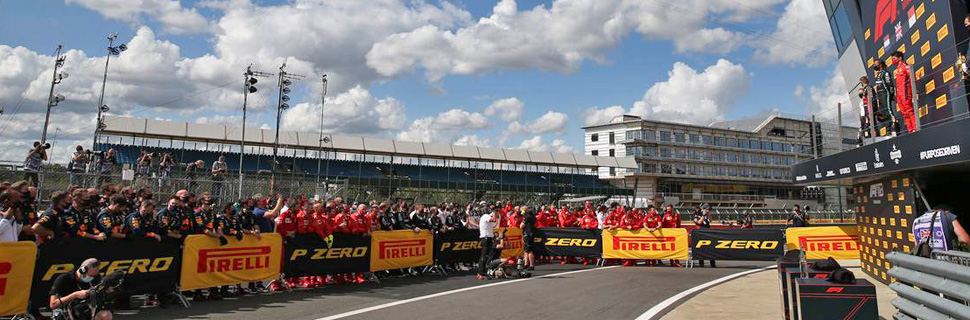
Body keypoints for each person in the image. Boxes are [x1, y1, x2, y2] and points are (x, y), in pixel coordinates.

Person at [890, 51, 917, 133]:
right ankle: (910, 129)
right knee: (904, 113)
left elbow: (913, 78)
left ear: (900, 58)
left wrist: (914, 90)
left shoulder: (905, 66)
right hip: (899, 93)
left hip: (905, 91)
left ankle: (915, 128)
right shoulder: (897, 69)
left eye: (894, 58)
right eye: (892, 59)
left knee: (909, 110)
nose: (893, 60)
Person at [872, 59, 899, 135]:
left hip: (885, 93)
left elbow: (890, 84)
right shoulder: (878, 74)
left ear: (880, 64)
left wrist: (891, 94)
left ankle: (894, 127)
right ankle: (888, 129)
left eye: (876, 64)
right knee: (882, 113)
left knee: (888, 111)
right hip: (880, 96)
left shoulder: (885, 73)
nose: (874, 66)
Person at [477, 208, 498, 280]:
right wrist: (494, 213)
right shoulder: (485, 216)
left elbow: (494, 225)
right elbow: (494, 220)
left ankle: (482, 272)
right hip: (485, 238)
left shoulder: (487, 218)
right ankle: (480, 273)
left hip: (488, 238)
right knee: (483, 256)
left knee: (486, 256)